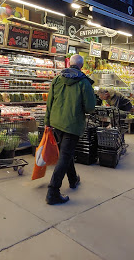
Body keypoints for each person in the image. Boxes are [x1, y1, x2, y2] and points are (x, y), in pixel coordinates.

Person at [44, 54, 96, 205]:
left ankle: (73, 179)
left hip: (56, 122)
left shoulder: (57, 79)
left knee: (65, 154)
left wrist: (47, 121)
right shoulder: (84, 83)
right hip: (72, 124)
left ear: (69, 63)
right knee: (65, 155)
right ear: (81, 66)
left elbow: (50, 101)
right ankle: (52, 191)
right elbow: (90, 107)